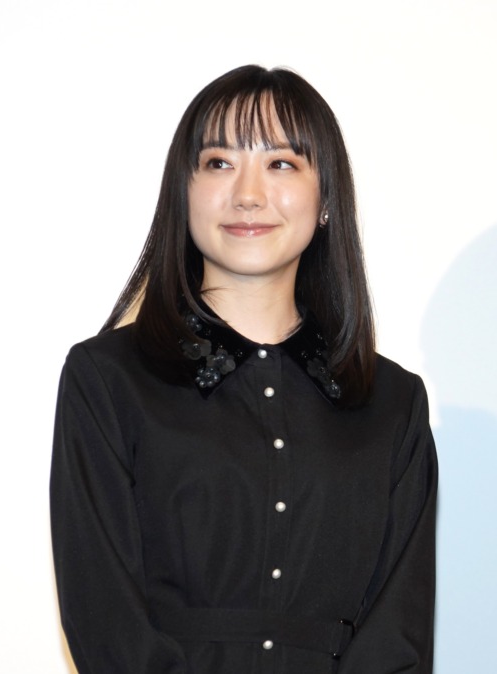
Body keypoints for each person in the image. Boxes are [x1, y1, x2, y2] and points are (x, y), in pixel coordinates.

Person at [50, 64, 437, 673]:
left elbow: (399, 635)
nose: (248, 194)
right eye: (218, 162)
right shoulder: (107, 379)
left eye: (281, 163)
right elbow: (106, 618)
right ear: (183, 191)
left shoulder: (391, 403)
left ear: (326, 199)